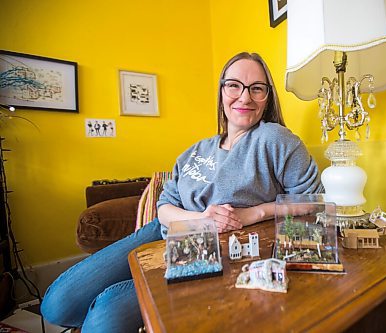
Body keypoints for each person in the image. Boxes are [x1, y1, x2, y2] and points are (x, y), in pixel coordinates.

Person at [41, 52, 321, 332]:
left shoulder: (274, 139)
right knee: (56, 304)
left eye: (256, 88)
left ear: (267, 97)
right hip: (160, 232)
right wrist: (200, 218)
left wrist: (254, 212)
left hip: (209, 251)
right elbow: (164, 205)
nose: (245, 97)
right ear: (222, 91)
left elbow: (314, 201)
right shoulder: (196, 150)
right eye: (234, 85)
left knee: (104, 317)